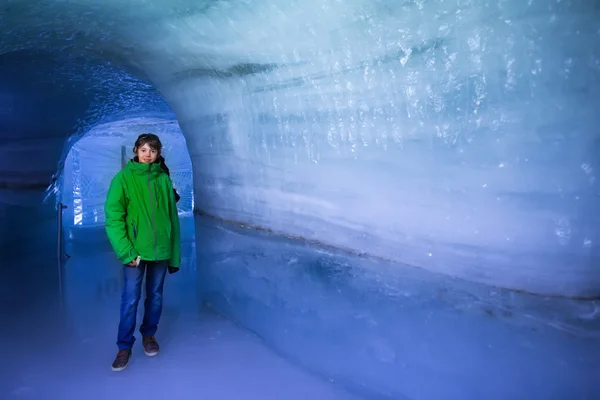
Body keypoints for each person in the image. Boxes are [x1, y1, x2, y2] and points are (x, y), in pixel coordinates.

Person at [104, 133, 181, 372]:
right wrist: (127, 253)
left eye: (153, 151)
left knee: (155, 296)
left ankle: (149, 335)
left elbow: (172, 220)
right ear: (136, 150)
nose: (148, 155)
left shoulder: (163, 179)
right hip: (135, 253)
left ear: (159, 153)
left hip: (161, 251)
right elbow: (113, 219)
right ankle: (124, 346)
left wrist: (174, 255)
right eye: (144, 149)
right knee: (130, 299)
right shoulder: (123, 179)